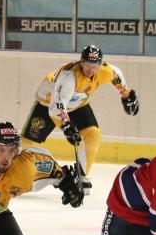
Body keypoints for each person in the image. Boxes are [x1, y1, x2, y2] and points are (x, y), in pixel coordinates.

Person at [21, 45, 139, 175]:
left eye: (94, 66)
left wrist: (127, 95)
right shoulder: (69, 77)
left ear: (100, 65)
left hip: (78, 105)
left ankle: (81, 175)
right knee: (27, 141)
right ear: (81, 62)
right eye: (87, 64)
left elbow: (116, 75)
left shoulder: (105, 72)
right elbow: (57, 106)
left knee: (93, 135)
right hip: (48, 103)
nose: (90, 69)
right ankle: (18, 170)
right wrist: (66, 124)